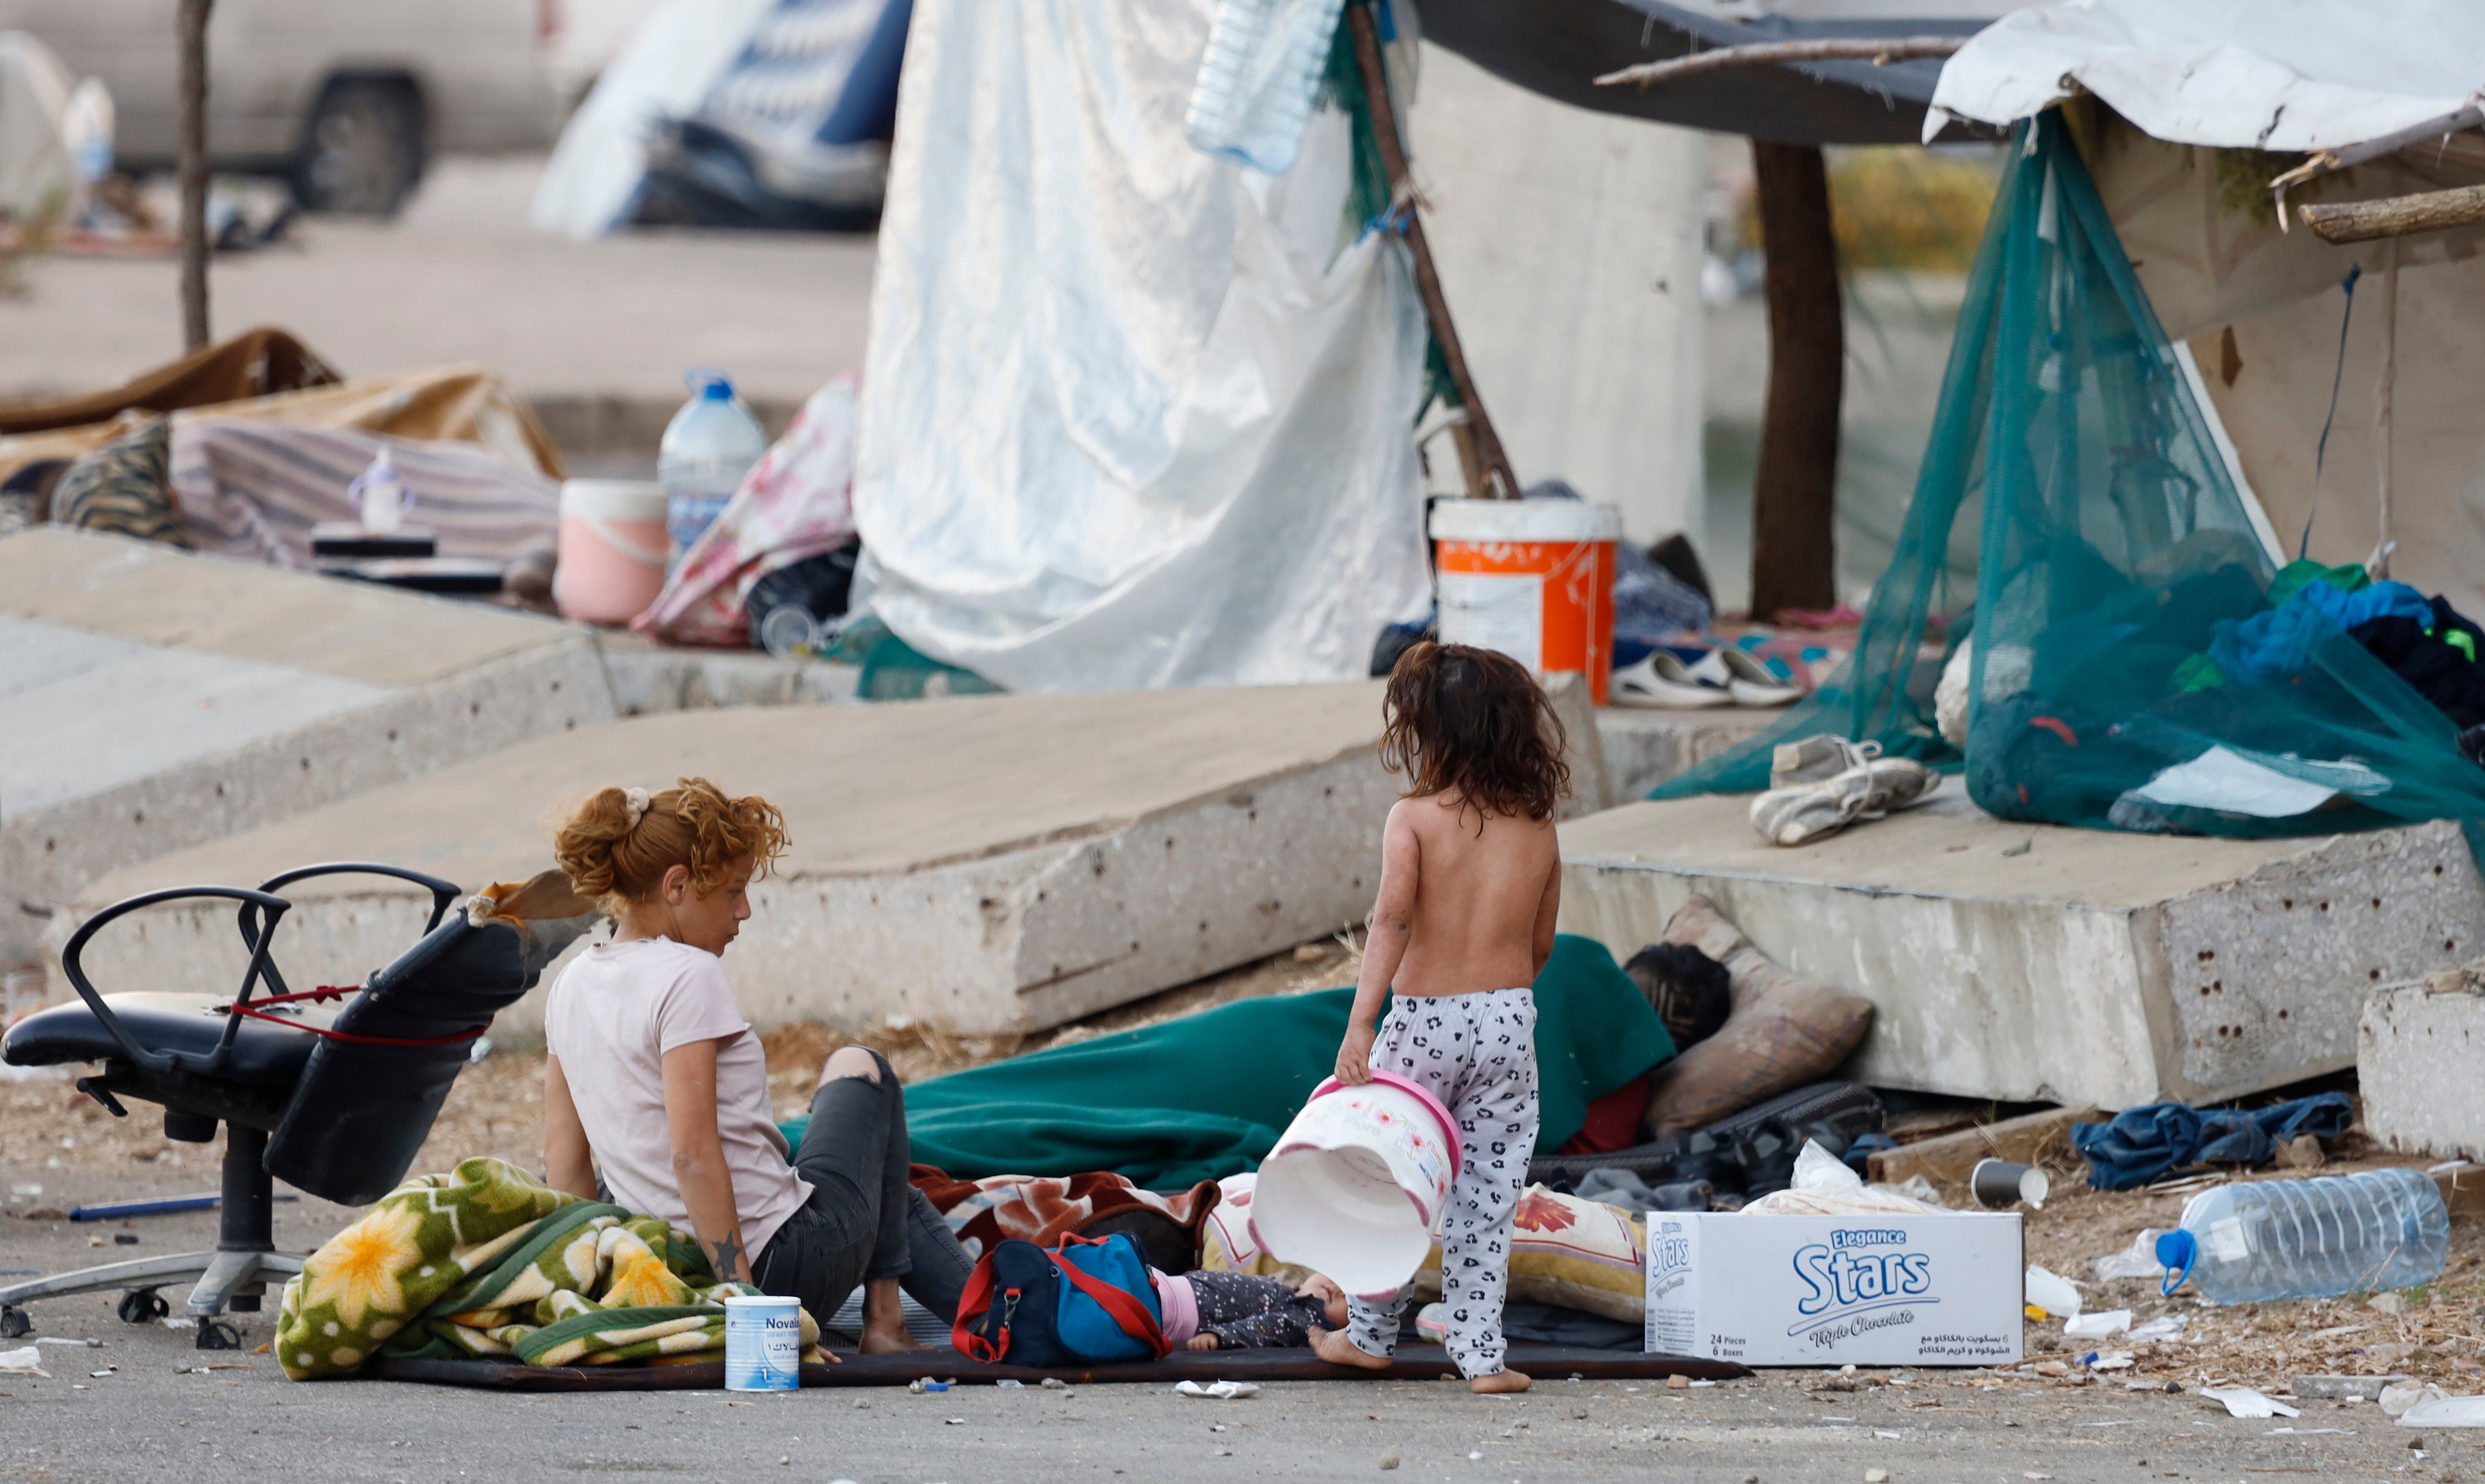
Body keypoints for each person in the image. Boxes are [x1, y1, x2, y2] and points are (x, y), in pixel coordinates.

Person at [540, 777, 973, 1354]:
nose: (744, 911)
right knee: (863, 1066)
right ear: (677, 886)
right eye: (733, 891)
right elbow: (692, 1152)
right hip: (780, 1270)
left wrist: (600, 1294)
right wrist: (739, 1300)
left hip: (665, 1279)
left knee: (891, 1192)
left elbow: (564, 1164)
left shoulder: (570, 985)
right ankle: (914, 1322)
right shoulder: (687, 974)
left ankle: (909, 1322)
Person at [1308, 642, 1565, 1394]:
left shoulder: (1413, 818)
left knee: (1390, 1183)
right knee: (1486, 1193)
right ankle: (1483, 1355)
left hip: (1423, 1023)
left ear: (1430, 731)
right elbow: (1542, 941)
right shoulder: (1538, 826)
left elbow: (1389, 923)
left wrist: (1361, 1026)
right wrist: (1498, 1001)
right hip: (1508, 1019)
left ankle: (1369, 1335)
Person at [1156, 1268, 1348, 1351]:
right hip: (1169, 1286)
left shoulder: (1308, 1320)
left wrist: (1221, 1336)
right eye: (1342, 1277)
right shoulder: (1289, 1294)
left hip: (1176, 1311)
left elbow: (1267, 1328)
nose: (1339, 1289)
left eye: (1351, 1298)